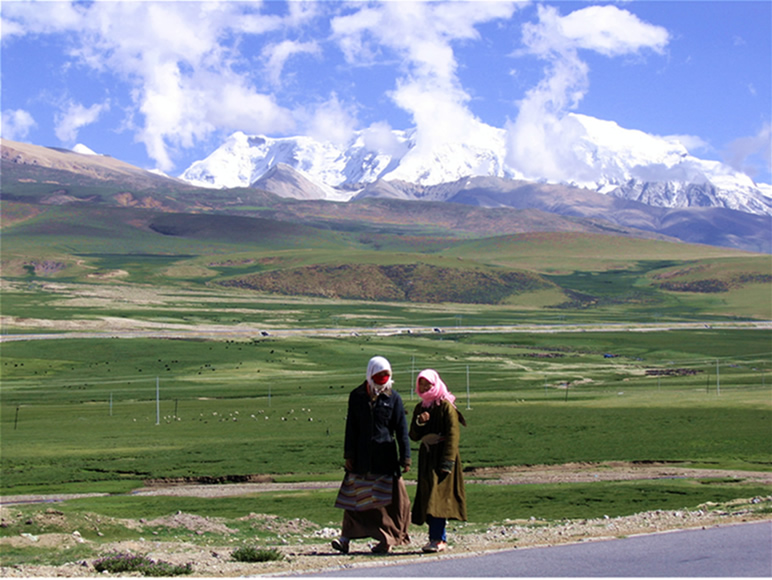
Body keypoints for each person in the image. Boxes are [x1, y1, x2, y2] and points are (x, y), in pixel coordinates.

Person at [332, 356, 412, 554]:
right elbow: (351, 428)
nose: (383, 379)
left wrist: (406, 457)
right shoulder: (357, 396)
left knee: (385, 503)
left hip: (385, 458)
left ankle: (386, 540)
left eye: (386, 375)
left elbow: (401, 429)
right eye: (379, 375)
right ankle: (345, 539)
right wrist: (348, 454)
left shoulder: (394, 398)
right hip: (361, 458)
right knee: (354, 499)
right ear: (370, 375)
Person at [409, 368, 467, 553]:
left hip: (442, 458)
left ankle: (438, 539)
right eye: (422, 384)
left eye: (428, 384)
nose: (425, 387)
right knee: (429, 498)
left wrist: (447, 462)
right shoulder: (421, 408)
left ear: (436, 384)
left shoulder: (446, 406)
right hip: (427, 459)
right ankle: (435, 538)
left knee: (437, 499)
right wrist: (420, 422)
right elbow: (413, 435)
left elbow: (453, 434)